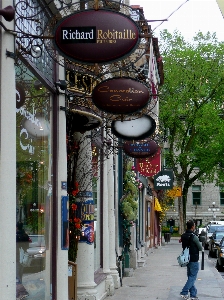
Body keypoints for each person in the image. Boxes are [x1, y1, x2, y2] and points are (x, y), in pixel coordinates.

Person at [180, 220, 202, 300]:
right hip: (194, 259)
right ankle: (184, 292)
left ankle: (193, 294)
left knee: (190, 276)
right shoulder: (194, 236)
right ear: (193, 226)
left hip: (186, 259)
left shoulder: (183, 235)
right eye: (194, 225)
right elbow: (200, 248)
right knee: (192, 277)